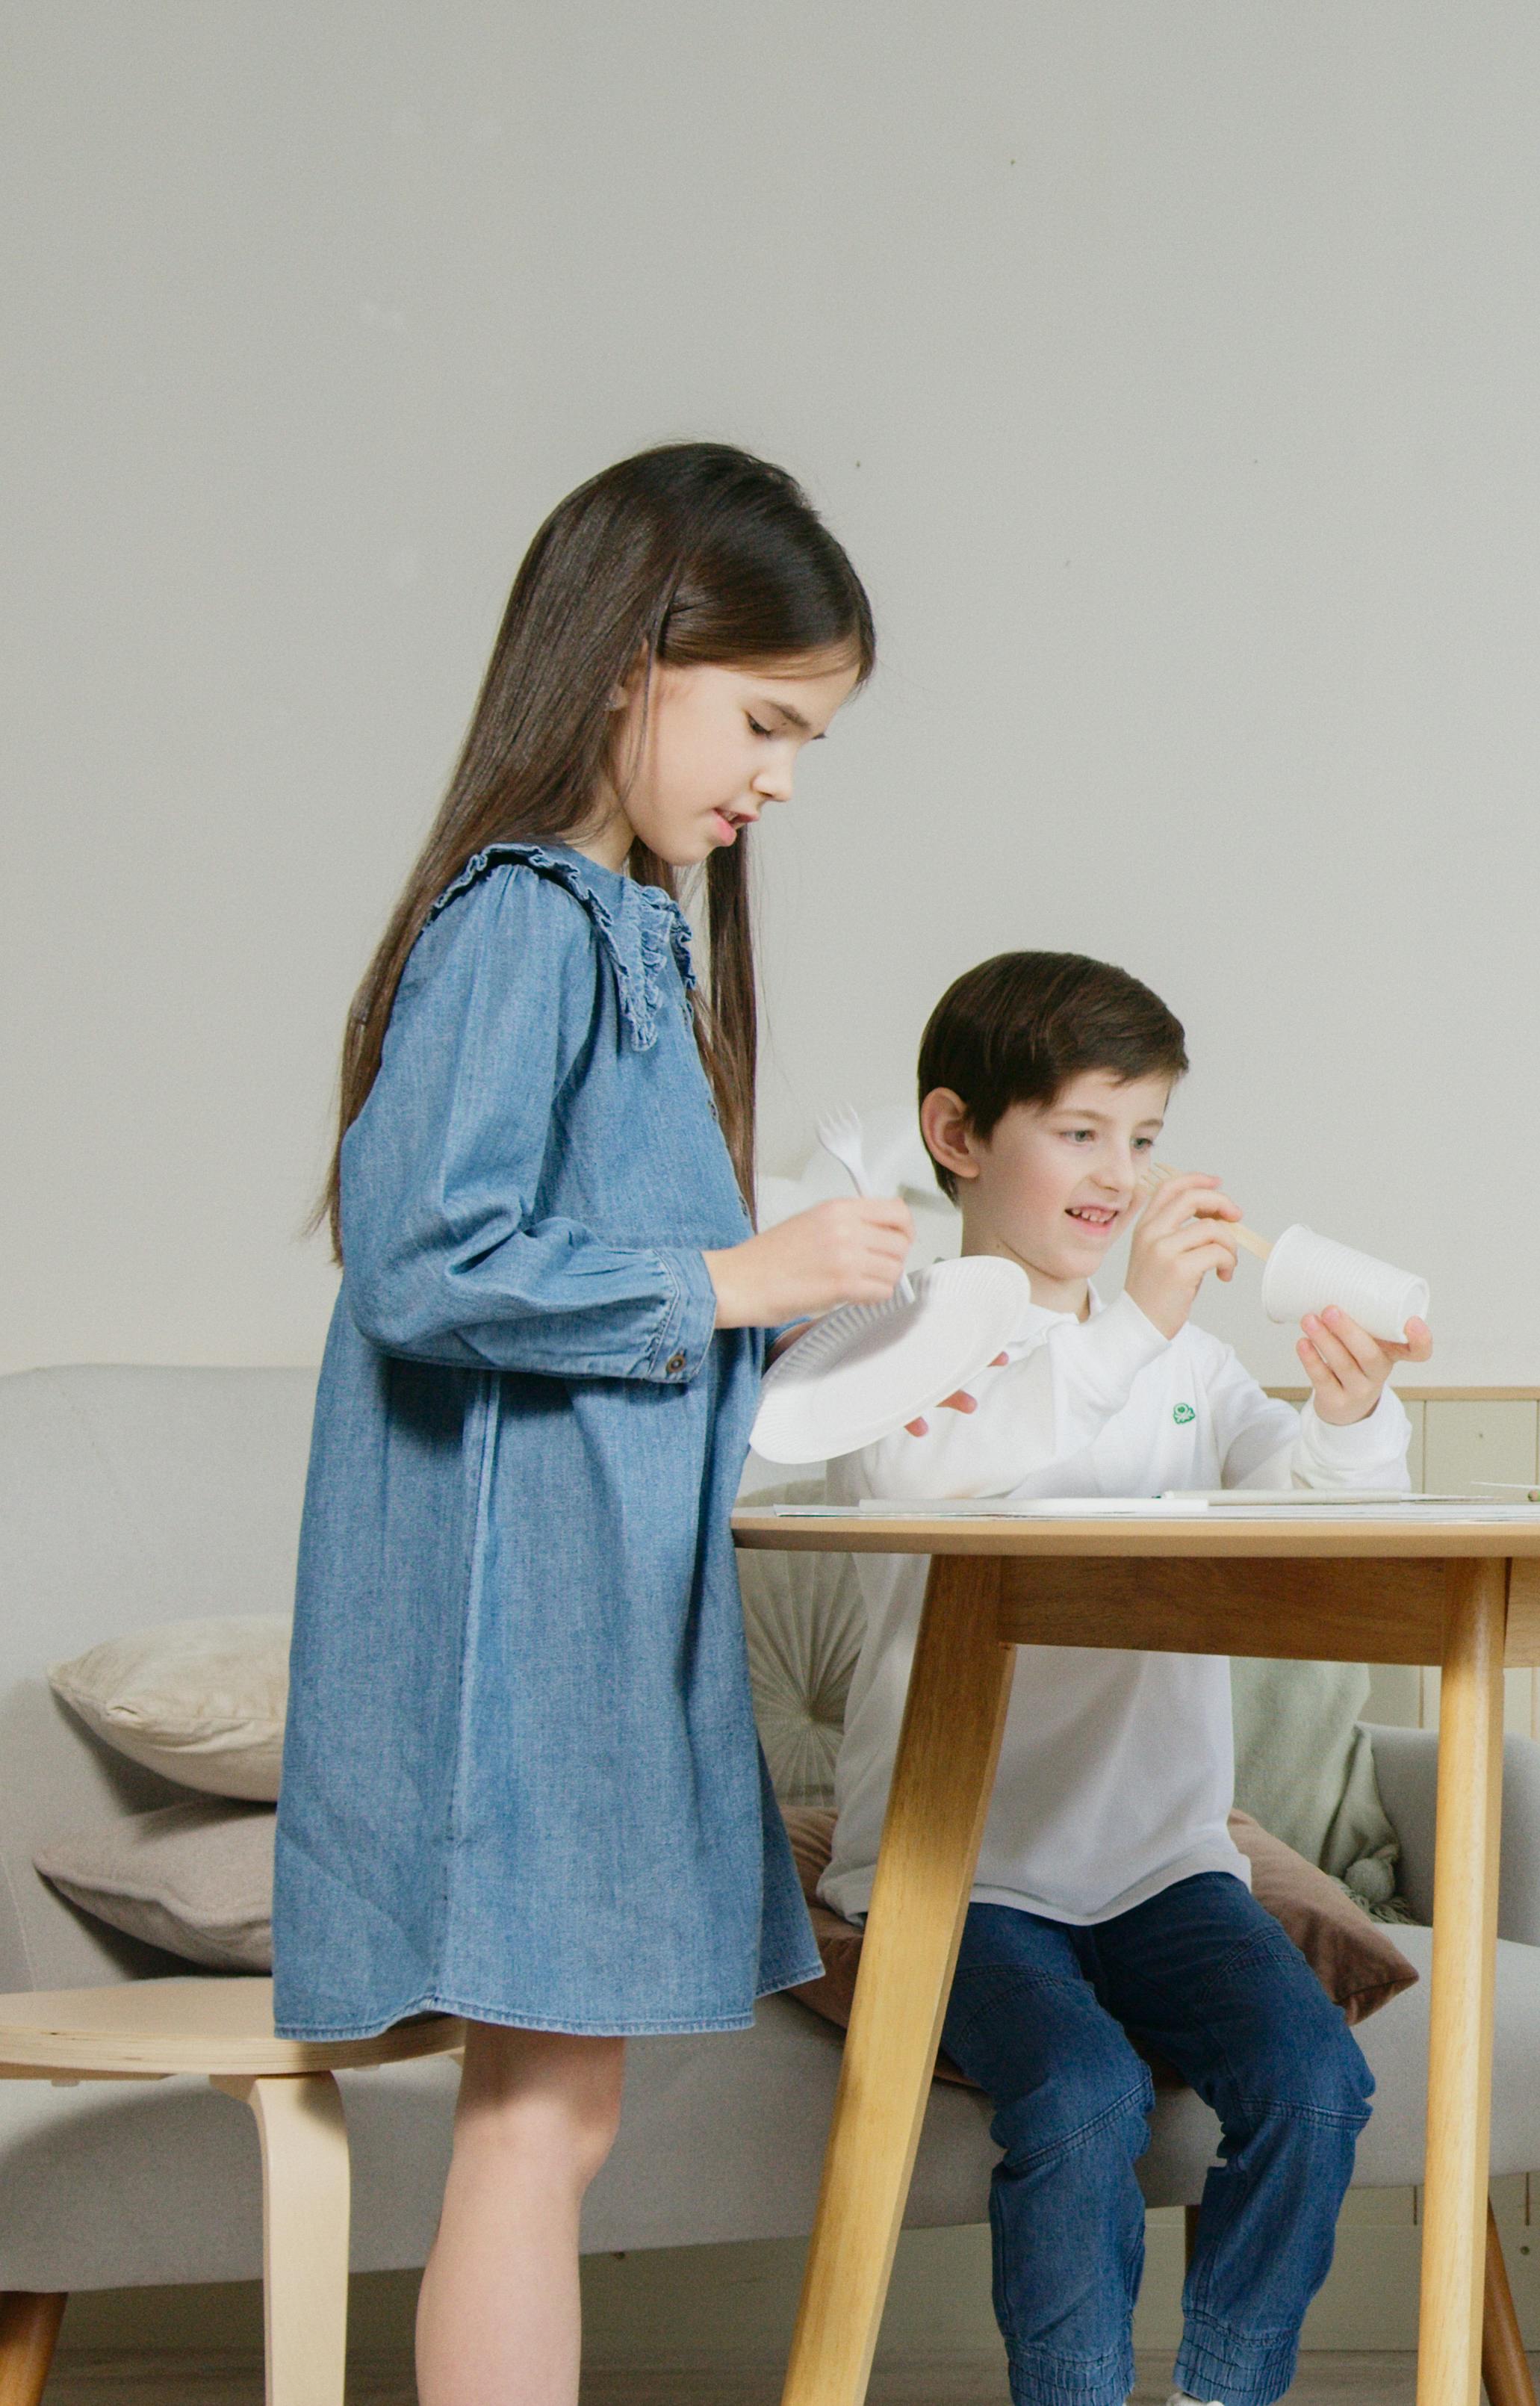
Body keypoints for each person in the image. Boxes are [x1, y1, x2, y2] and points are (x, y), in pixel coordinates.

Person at [280, 442, 900, 2406]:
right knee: (533, 2129)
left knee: (556, 2124)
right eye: (765, 719)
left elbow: (600, 1297)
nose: (779, 777)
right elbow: (426, 1262)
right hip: (519, 1644)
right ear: (631, 659)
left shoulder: (619, 934)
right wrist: (733, 1280)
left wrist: (824, 1332)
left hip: (592, 1620)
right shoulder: (526, 923)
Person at [816, 949, 1426, 2406]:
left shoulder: (1189, 1368)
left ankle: (1221, 2392)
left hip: (1160, 1865)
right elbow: (930, 1474)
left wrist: (1352, 1417)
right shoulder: (894, 1342)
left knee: (1314, 2081)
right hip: (959, 1867)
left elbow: (1325, 1516)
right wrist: (1138, 1329)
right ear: (960, 1137)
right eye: (1080, 1133)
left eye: (1141, 1139)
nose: (1118, 1176)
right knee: (1081, 2097)